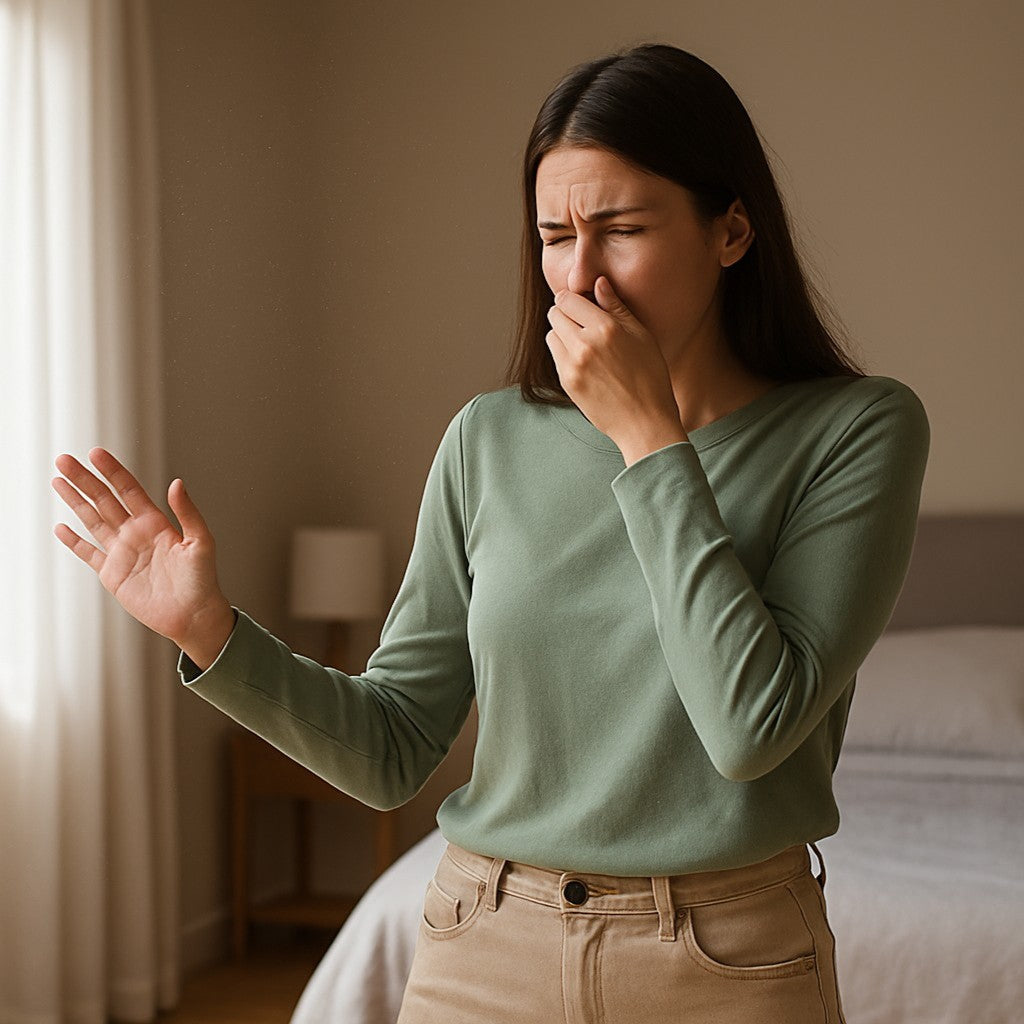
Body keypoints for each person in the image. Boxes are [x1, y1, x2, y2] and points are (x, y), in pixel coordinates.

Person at [52, 41, 929, 1024]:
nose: (580, 271)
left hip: (723, 964)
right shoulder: (490, 437)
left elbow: (749, 729)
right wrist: (210, 632)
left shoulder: (855, 429)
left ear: (730, 231)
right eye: (554, 235)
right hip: (482, 946)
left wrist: (648, 437)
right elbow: (390, 749)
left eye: (620, 229)